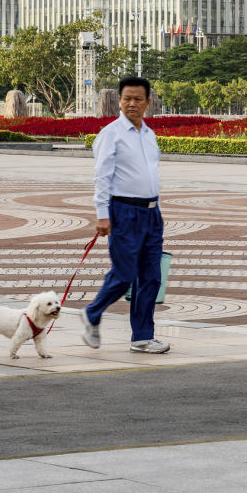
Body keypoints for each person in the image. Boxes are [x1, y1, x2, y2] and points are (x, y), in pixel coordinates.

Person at [80, 77, 170, 354]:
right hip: (124, 212)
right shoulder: (111, 134)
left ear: (147, 102)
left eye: (138, 99)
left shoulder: (149, 134)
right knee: (124, 274)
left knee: (151, 277)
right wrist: (102, 214)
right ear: (119, 101)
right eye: (127, 98)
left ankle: (142, 336)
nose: (132, 104)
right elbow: (102, 176)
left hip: (152, 213)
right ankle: (92, 313)